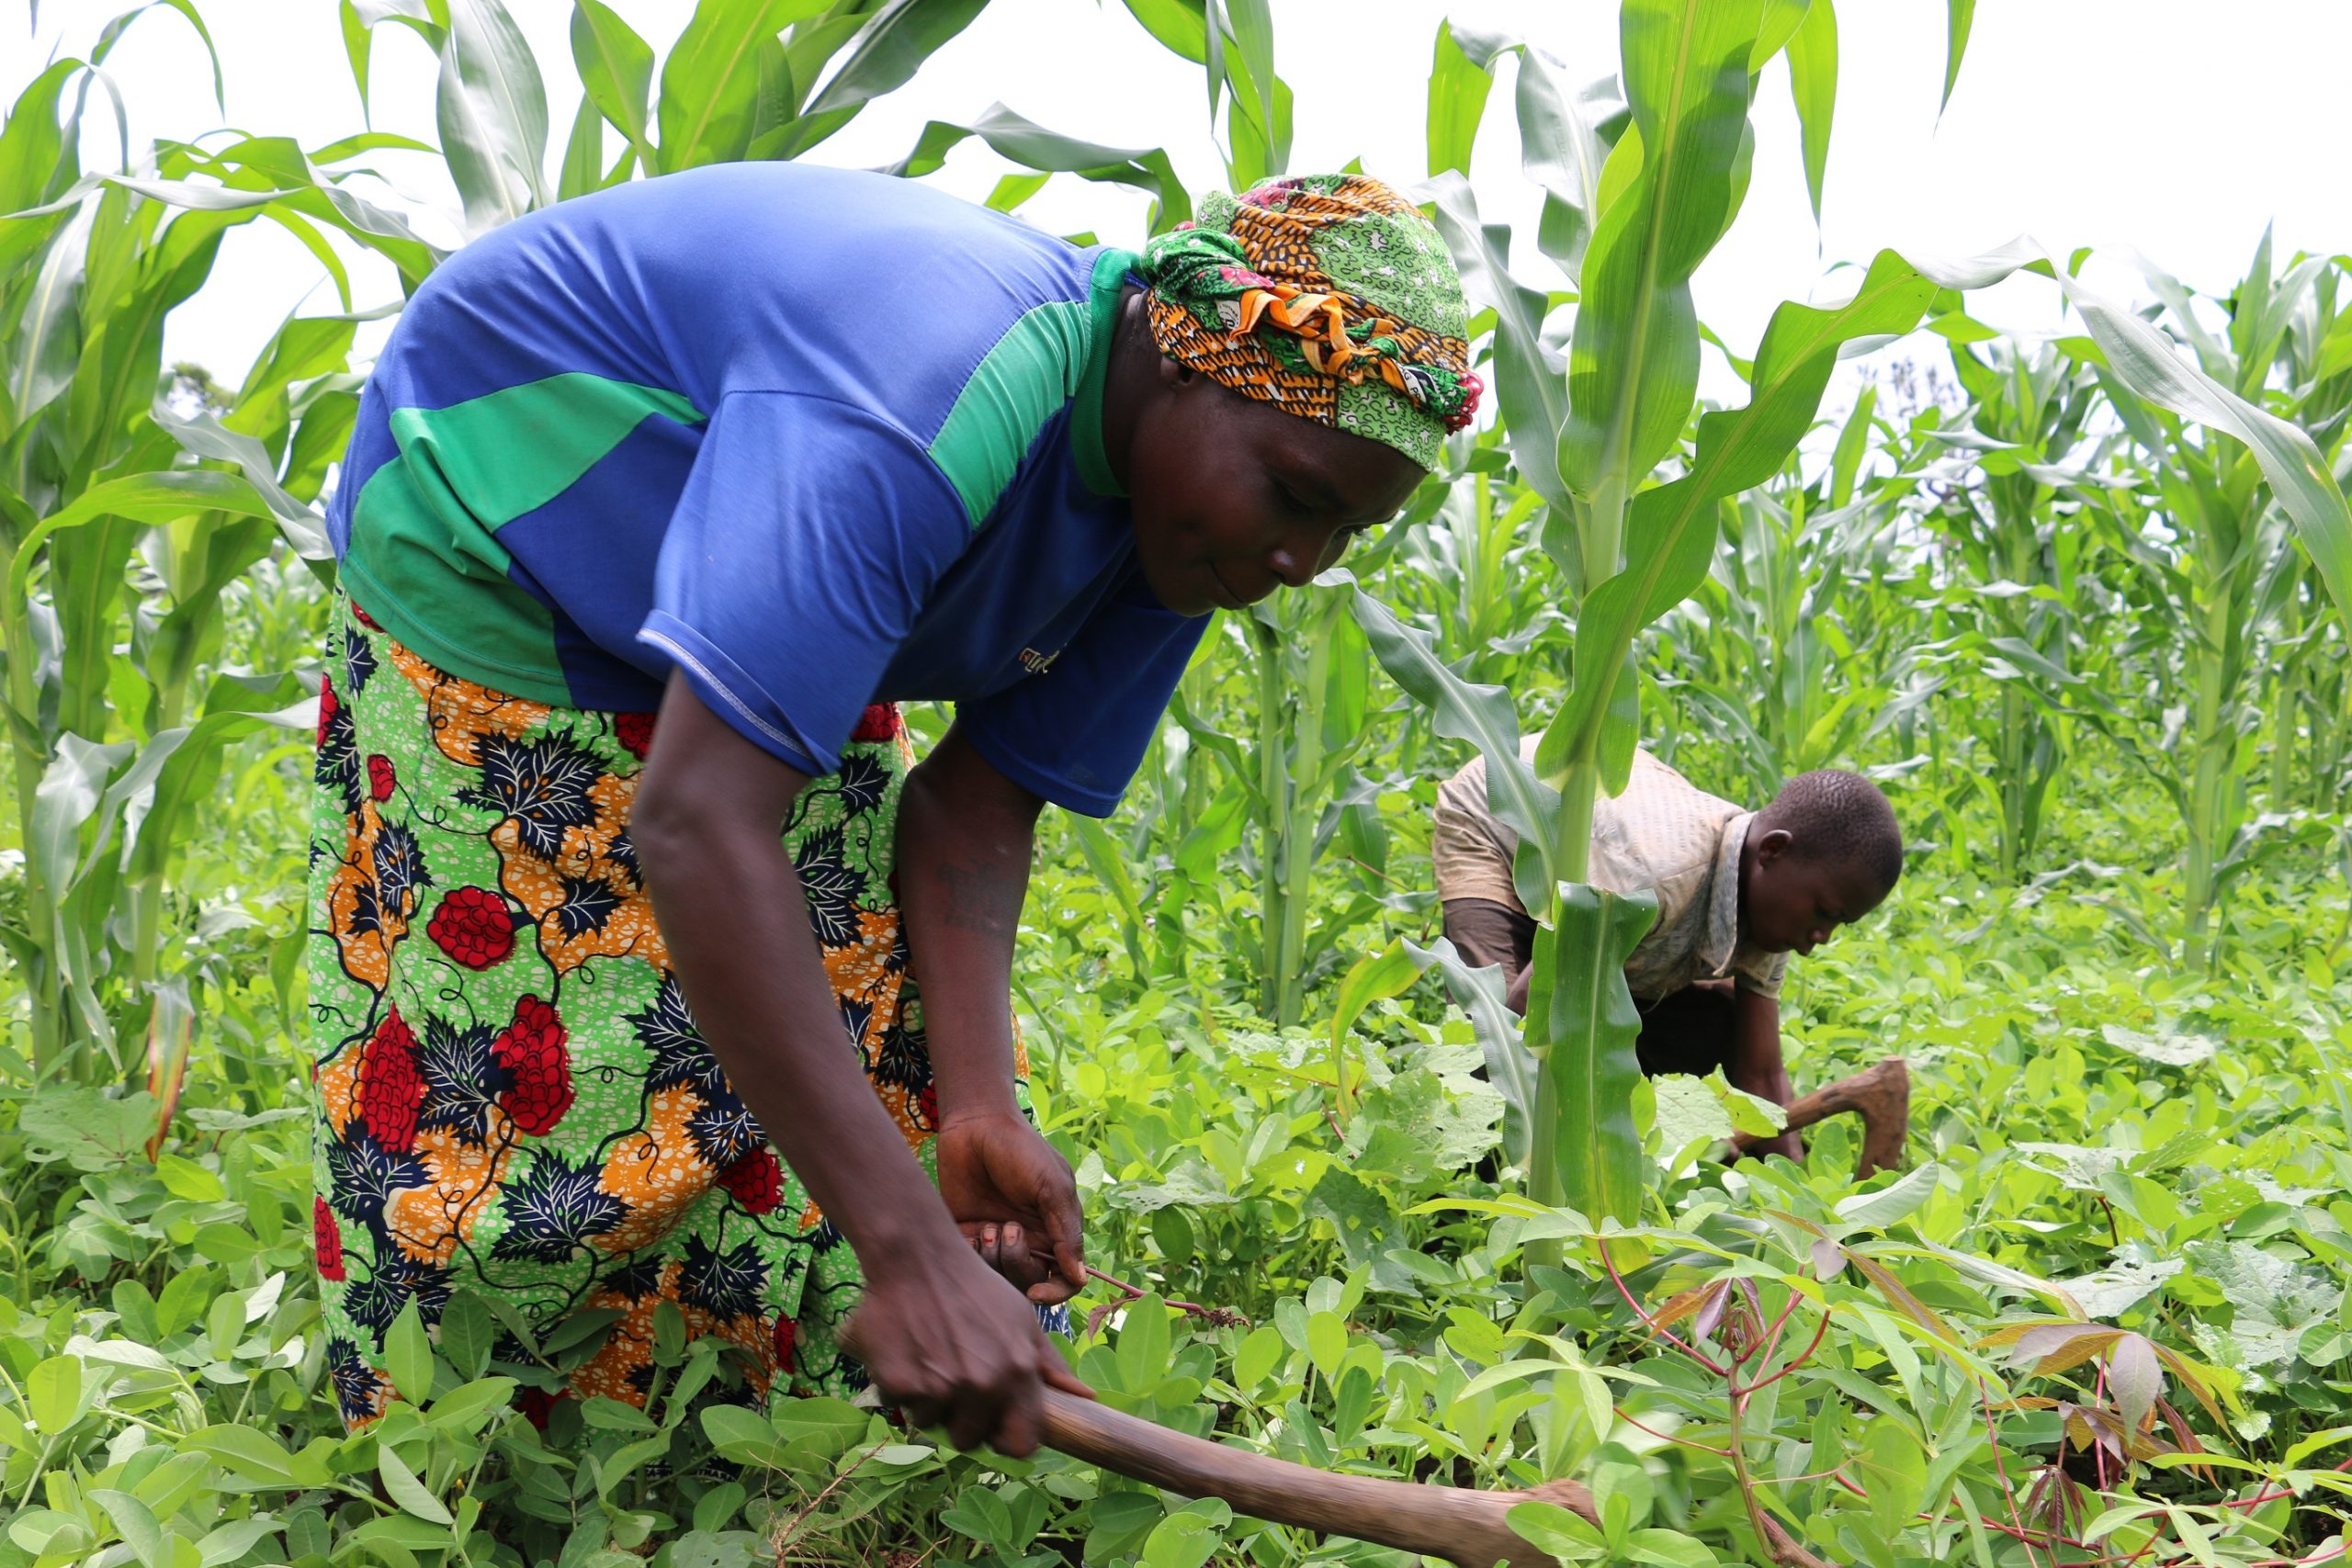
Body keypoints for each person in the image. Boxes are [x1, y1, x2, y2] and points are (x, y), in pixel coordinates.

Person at [307, 165, 1475, 1456]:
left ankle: (739, 1421)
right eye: (1299, 496)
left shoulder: (1185, 523)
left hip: (755, 560)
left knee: (845, 996)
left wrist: (979, 1107)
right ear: (1186, 363)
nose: (1300, 562)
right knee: (564, 1058)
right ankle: (473, 1450)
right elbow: (697, 820)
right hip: (510, 520)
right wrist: (909, 1249)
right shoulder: (926, 394)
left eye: (1347, 532)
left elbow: (980, 805)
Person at [1432, 745, 1902, 1158]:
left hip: (1602, 861)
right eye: (1822, 913)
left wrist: (1796, 1201)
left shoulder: (1775, 907)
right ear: (1773, 852)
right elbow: (1530, 1009)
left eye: (1839, 924)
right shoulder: (1655, 880)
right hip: (1498, 817)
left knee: (1721, 1022)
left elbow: (1762, 1075)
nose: (1822, 937)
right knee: (1490, 1032)